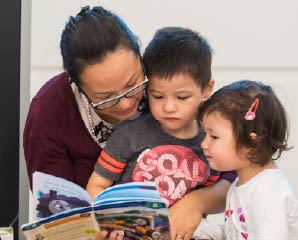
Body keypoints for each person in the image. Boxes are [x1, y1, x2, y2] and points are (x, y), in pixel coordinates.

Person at [86, 27, 236, 240]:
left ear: (206, 89)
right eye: (158, 96)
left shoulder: (211, 141)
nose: (169, 107)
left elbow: (224, 192)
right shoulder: (130, 134)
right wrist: (106, 222)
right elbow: (97, 184)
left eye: (182, 97)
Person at [23, 5, 149, 190]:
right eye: (106, 97)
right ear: (78, 85)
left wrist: (196, 202)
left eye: (132, 85)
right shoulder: (48, 112)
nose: (125, 103)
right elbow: (55, 209)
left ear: (139, 57)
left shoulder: (165, 81)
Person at [198, 80, 298, 239]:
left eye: (214, 136)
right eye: (205, 135)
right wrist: (199, 228)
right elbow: (237, 234)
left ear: (252, 143)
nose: (204, 144)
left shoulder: (267, 192)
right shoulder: (242, 184)